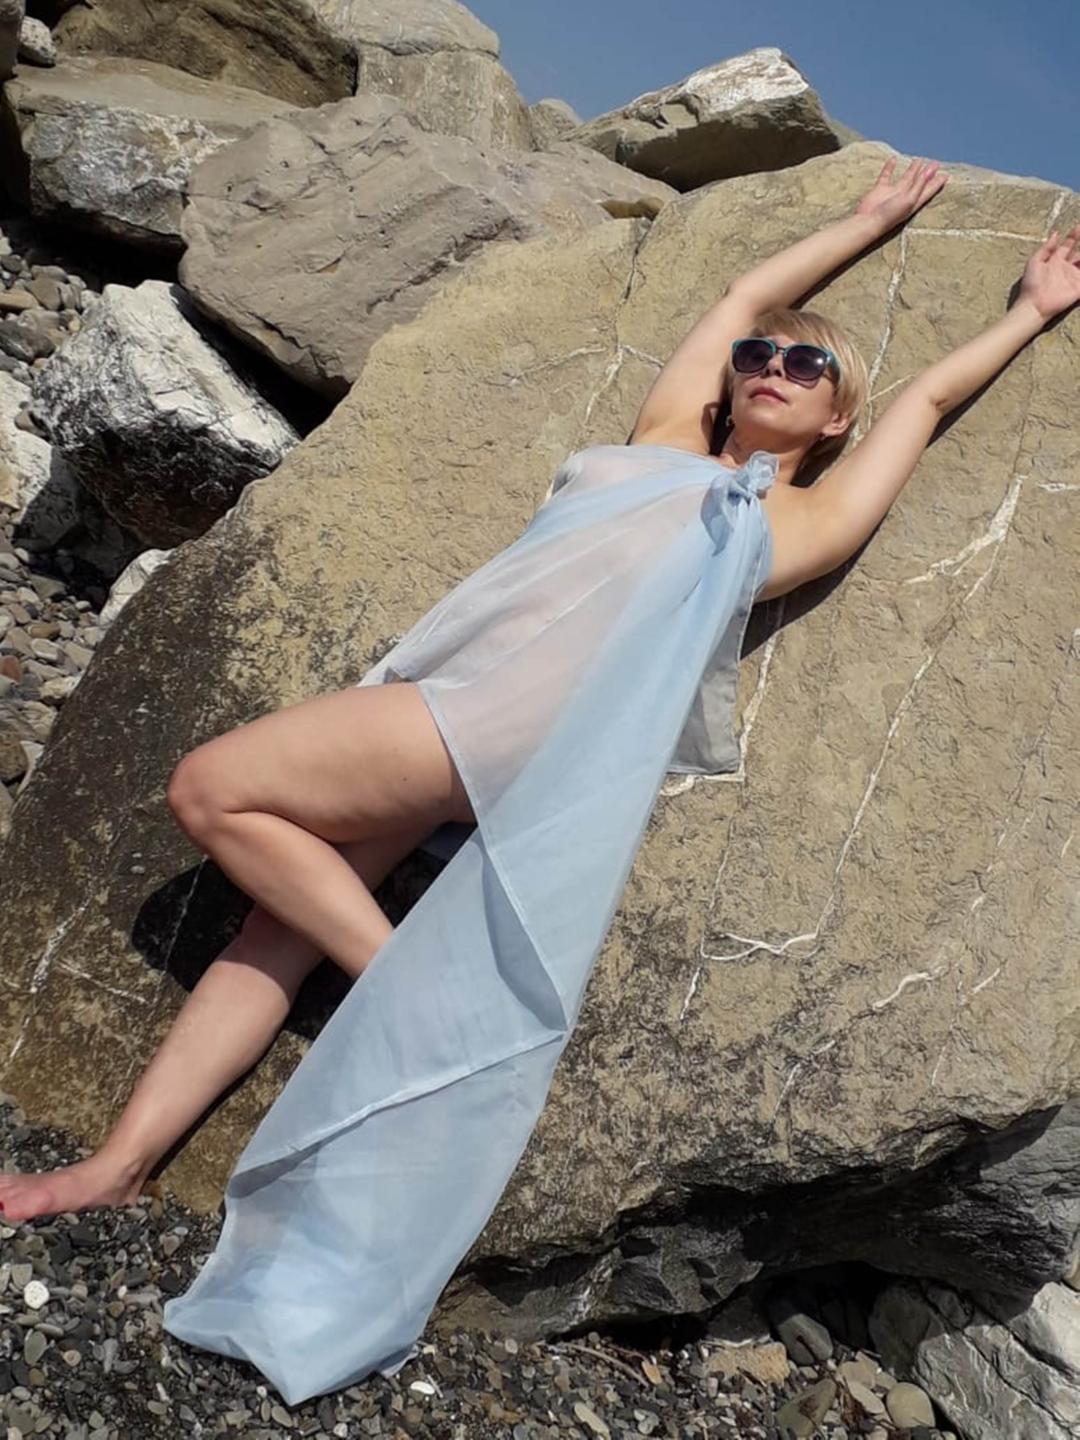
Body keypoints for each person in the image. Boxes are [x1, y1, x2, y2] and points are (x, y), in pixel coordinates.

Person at [0, 157, 1075, 1243]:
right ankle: (121, 1165)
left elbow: (927, 400)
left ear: (838, 419)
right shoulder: (665, 435)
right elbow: (743, 294)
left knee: (211, 789)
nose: (773, 368)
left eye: (808, 366)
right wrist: (862, 221)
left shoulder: (799, 527)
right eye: (760, 357)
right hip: (441, 691)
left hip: (501, 723)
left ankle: (416, 1002)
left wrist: (1030, 311)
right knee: (278, 928)